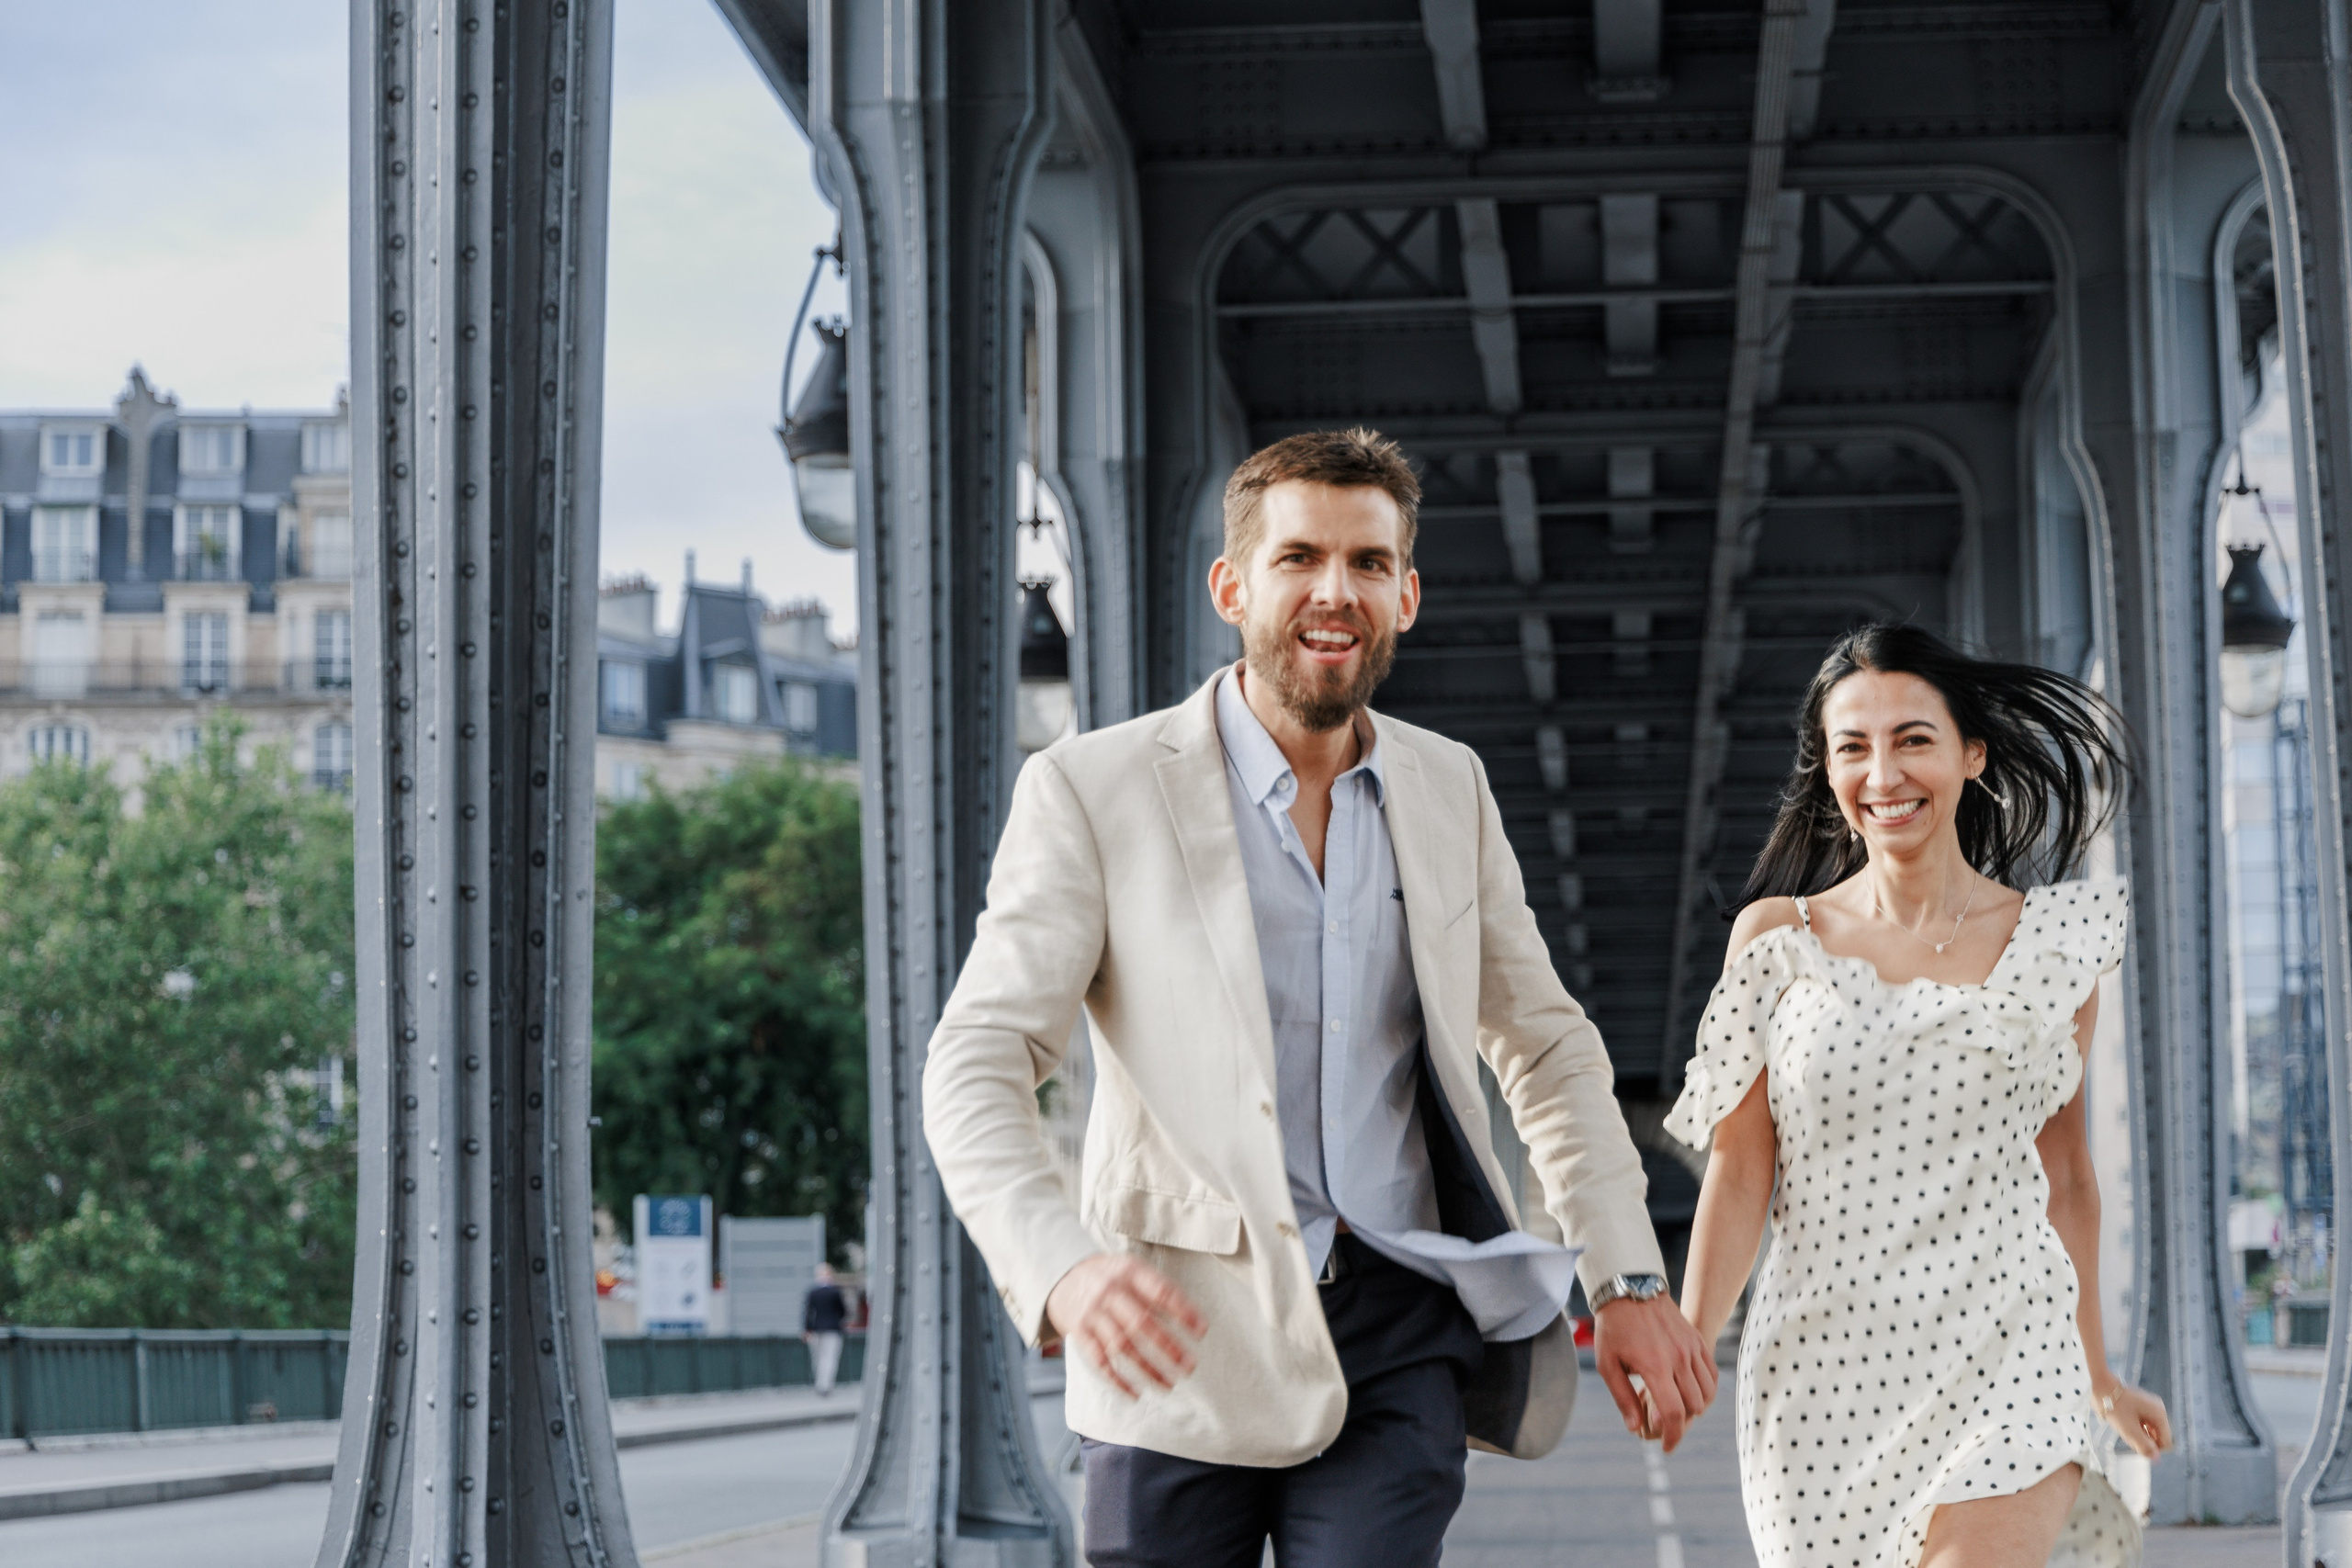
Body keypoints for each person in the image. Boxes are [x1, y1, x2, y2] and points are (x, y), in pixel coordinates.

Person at [922, 428, 1715, 1567]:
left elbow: (1543, 1047)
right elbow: (977, 1059)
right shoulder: (1091, 792)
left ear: (1407, 595)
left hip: (1400, 1324)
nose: (1332, 592)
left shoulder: (1451, 788)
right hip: (1176, 1336)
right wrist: (1061, 1266)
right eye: (1298, 559)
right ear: (1232, 586)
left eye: (1367, 563)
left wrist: (1628, 1278)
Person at [1667, 624, 2175, 1568]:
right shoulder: (1776, 944)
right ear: (1826, 773)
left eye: (1912, 739)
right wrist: (1688, 1344)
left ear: (1970, 755)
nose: (1882, 773)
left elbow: (2065, 1177)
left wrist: (2098, 1375)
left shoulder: (2053, 949)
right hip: (1823, 1376)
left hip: (2006, 1346)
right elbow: (1740, 1173)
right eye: (1851, 747)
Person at [802, 1262, 848, 1397]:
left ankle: (819, 1384)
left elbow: (807, 1312)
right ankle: (826, 1385)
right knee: (830, 1358)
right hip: (833, 1329)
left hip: (816, 1329)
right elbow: (842, 1311)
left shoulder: (813, 1292)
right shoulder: (836, 1292)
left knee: (817, 1358)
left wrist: (807, 1329)